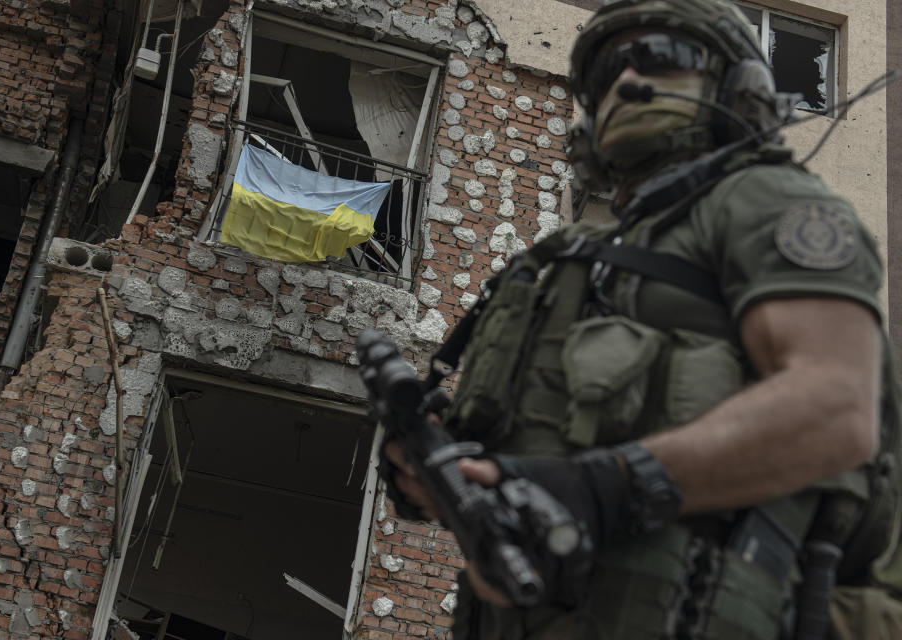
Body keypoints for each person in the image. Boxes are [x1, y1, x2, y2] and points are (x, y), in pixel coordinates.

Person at [384, 0, 902, 638]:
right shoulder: (573, 260)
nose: (627, 82)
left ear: (737, 90)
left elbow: (836, 409)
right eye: (606, 74)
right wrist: (451, 478)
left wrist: (605, 488)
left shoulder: (763, 200)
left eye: (662, 59)